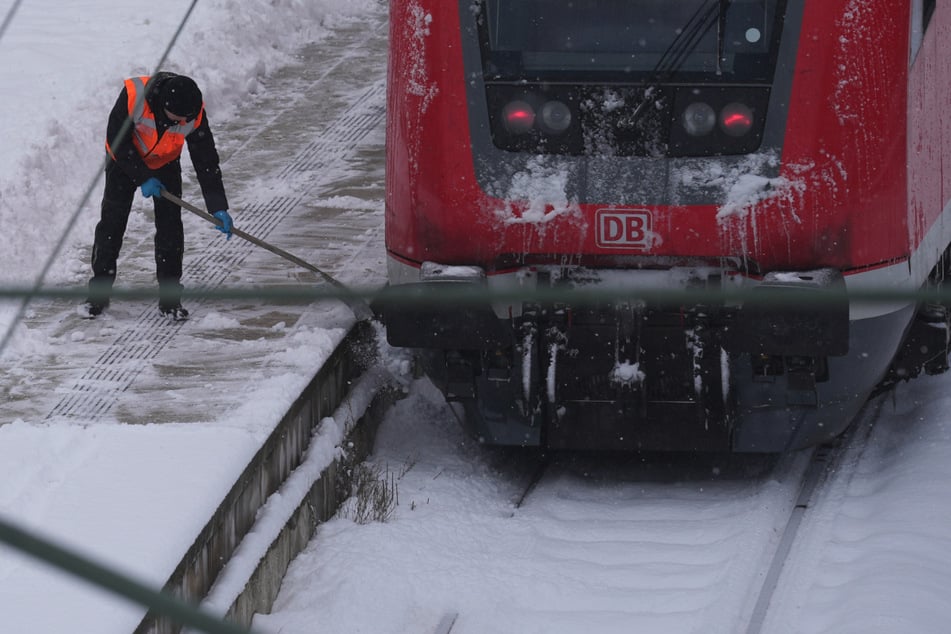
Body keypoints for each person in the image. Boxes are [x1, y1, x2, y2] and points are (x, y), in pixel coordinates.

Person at [82, 71, 234, 320]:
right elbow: (117, 138)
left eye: (187, 118)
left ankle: (170, 300)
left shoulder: (192, 111)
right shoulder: (134, 97)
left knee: (170, 229)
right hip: (124, 161)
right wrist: (142, 176)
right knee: (112, 224)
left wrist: (218, 205)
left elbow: (206, 159)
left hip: (165, 163)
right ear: (164, 106)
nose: (183, 122)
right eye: (178, 118)